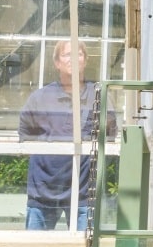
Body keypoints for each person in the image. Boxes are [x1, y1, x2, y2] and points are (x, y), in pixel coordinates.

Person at [18, 40, 117, 230]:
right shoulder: (40, 98)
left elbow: (110, 135)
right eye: (66, 55)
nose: (73, 59)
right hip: (43, 192)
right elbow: (25, 133)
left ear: (85, 60)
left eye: (78, 54)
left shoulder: (98, 97)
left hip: (84, 193)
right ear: (57, 63)